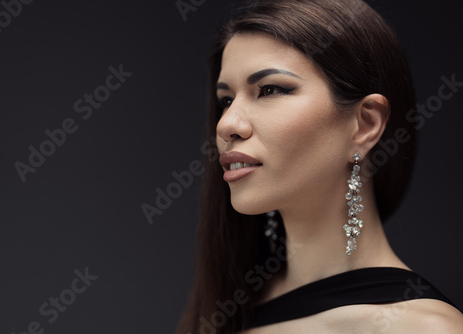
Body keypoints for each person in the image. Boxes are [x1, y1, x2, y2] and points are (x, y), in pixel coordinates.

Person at [176, 0, 463, 333]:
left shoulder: (424, 328)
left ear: (366, 124)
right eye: (226, 99)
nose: (227, 124)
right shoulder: (227, 305)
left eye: (269, 89)